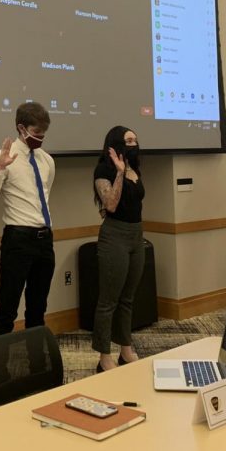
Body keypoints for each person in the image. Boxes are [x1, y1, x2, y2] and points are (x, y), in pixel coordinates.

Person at [0, 103, 55, 343]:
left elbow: (44, 197)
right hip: (18, 239)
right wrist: (0, 169)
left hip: (45, 240)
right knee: (7, 310)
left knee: (37, 309)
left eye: (44, 133)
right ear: (21, 128)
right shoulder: (3, 157)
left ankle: (36, 369)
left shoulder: (47, 161)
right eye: (36, 132)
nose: (40, 137)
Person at [92, 126, 145, 373]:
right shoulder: (103, 170)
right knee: (108, 300)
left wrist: (128, 171)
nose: (133, 145)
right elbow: (111, 205)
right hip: (114, 236)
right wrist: (120, 173)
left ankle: (125, 348)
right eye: (128, 141)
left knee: (128, 298)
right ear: (114, 145)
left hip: (136, 236)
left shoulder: (136, 168)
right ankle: (104, 355)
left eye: (135, 140)